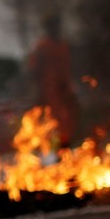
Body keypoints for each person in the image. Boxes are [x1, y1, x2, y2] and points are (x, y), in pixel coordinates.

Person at [26, 10, 79, 148]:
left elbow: (68, 69)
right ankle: (57, 151)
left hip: (64, 91)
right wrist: (37, 92)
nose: (57, 29)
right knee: (53, 124)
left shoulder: (63, 46)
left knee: (68, 122)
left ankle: (68, 149)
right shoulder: (42, 48)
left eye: (58, 25)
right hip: (49, 93)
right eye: (54, 26)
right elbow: (34, 71)